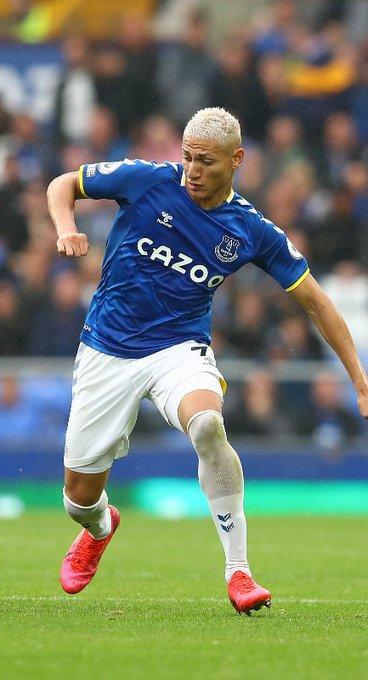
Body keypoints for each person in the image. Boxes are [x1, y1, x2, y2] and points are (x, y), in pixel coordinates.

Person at [46, 107, 368, 615]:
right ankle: (102, 527)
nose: (193, 171)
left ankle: (238, 572)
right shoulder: (149, 180)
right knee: (78, 497)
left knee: (207, 425)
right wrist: (65, 228)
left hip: (179, 349)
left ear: (236, 161)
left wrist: (358, 377)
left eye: (207, 163)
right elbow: (63, 184)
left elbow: (316, 300)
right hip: (107, 348)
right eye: (188, 158)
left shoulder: (250, 229)